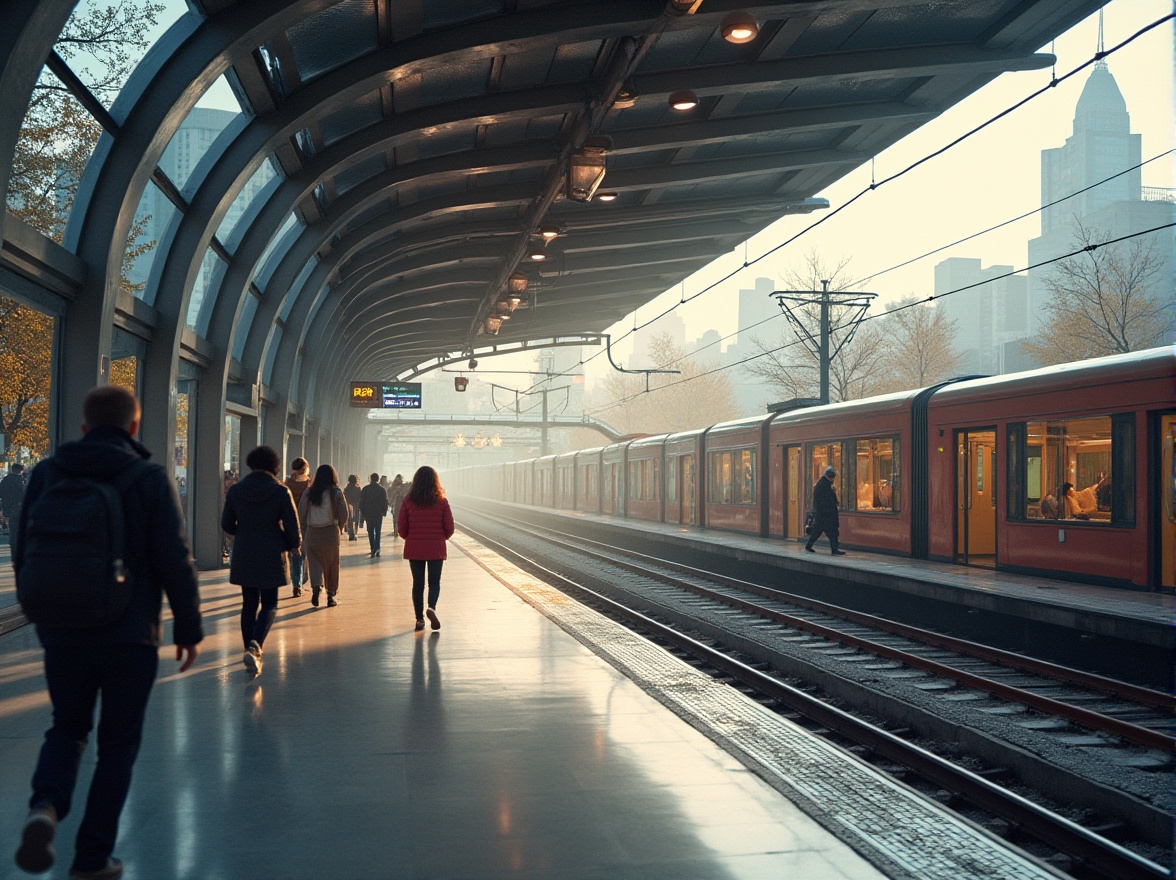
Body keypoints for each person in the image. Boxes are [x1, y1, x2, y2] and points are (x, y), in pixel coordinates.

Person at [13, 385, 202, 880]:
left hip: (62, 629)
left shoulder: (48, 472)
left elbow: (23, 549)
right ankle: (92, 858)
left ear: (83, 427)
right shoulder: (147, 477)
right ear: (134, 427)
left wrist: (40, 608)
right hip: (129, 633)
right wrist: (188, 626)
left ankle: (45, 807)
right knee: (118, 747)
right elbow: (174, 560)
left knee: (67, 726)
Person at [221, 446, 301, 677]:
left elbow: (227, 524)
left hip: (245, 550)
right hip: (271, 551)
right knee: (269, 603)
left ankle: (250, 648)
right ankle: (256, 646)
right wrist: (289, 544)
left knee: (248, 603)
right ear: (274, 465)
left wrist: (243, 533)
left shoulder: (236, 490)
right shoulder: (280, 491)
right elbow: (292, 525)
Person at [398, 465, 454, 632]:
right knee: (434, 582)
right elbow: (450, 528)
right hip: (436, 548)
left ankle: (419, 619)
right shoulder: (442, 501)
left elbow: (402, 529)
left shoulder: (408, 501)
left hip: (415, 548)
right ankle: (431, 607)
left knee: (418, 584)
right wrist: (438, 538)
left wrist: (412, 538)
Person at [298, 465, 349, 607]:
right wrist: (340, 528)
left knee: (314, 564)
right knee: (332, 565)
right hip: (330, 533)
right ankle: (330, 596)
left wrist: (304, 531)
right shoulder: (336, 493)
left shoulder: (308, 493)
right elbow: (344, 514)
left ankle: (316, 587)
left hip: (312, 532)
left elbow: (301, 514)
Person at [284, 458, 312, 597]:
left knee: (294, 554)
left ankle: (296, 583)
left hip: (288, 523)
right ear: (305, 468)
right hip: (305, 522)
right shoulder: (309, 484)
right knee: (302, 553)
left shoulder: (287, 483)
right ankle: (299, 581)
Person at [804, 466, 845, 555]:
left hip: (824, 514)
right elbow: (822, 500)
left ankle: (809, 546)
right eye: (832, 476)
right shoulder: (823, 485)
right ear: (828, 475)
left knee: (818, 531)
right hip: (826, 514)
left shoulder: (824, 484)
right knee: (832, 532)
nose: (833, 478)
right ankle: (834, 550)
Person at [359, 472, 389, 558]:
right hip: (378, 513)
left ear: (370, 479)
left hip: (368, 513)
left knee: (370, 531)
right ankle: (378, 548)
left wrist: (362, 512)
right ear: (378, 479)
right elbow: (385, 502)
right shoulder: (382, 489)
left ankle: (372, 548)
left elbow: (362, 502)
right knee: (378, 531)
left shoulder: (365, 489)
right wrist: (384, 512)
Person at [0, 463, 26, 549]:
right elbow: (25, 494)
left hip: (8, 509)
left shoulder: (5, 480)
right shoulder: (21, 481)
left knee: (12, 529)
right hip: (19, 508)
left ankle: (14, 545)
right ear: (21, 470)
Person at [343, 474, 362, 542]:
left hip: (348, 504)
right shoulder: (358, 488)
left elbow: (344, 497)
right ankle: (355, 532)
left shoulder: (346, 488)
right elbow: (360, 497)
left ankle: (351, 532)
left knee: (349, 519)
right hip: (356, 504)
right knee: (356, 519)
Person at [388, 474, 406, 538]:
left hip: (400, 504)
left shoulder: (403, 486)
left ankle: (397, 530)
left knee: (398, 517)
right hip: (396, 504)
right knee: (395, 517)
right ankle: (395, 530)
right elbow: (391, 494)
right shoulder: (394, 486)